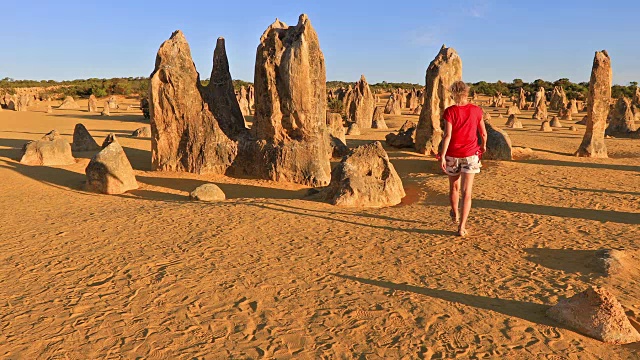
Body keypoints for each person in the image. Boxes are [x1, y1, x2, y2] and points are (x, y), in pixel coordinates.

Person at [438, 81, 487, 237]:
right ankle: (462, 227)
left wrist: (442, 156)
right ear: (467, 93)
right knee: (467, 192)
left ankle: (455, 213)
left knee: (454, 188)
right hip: (471, 155)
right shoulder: (477, 110)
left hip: (453, 154)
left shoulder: (449, 112)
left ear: (453, 94)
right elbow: (483, 133)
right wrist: (483, 146)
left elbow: (447, 135)